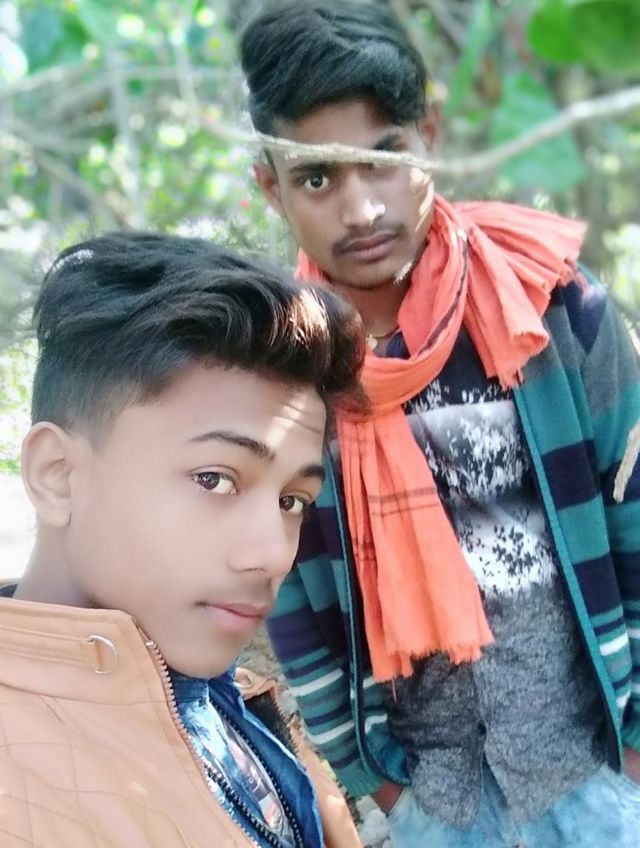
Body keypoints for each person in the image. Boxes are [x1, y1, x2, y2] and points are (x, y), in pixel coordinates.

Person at [240, 2, 640, 846]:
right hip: (433, 801)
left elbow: (633, 517)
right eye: (317, 179)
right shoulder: (280, 372)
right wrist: (375, 782)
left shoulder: (554, 312)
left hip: (595, 772)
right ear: (271, 185)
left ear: (429, 133)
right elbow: (291, 592)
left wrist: (636, 747)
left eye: (382, 160)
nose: (360, 211)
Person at [0, 232, 365, 848]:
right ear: (57, 475)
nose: (274, 554)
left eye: (292, 501)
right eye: (214, 479)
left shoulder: (213, 694)